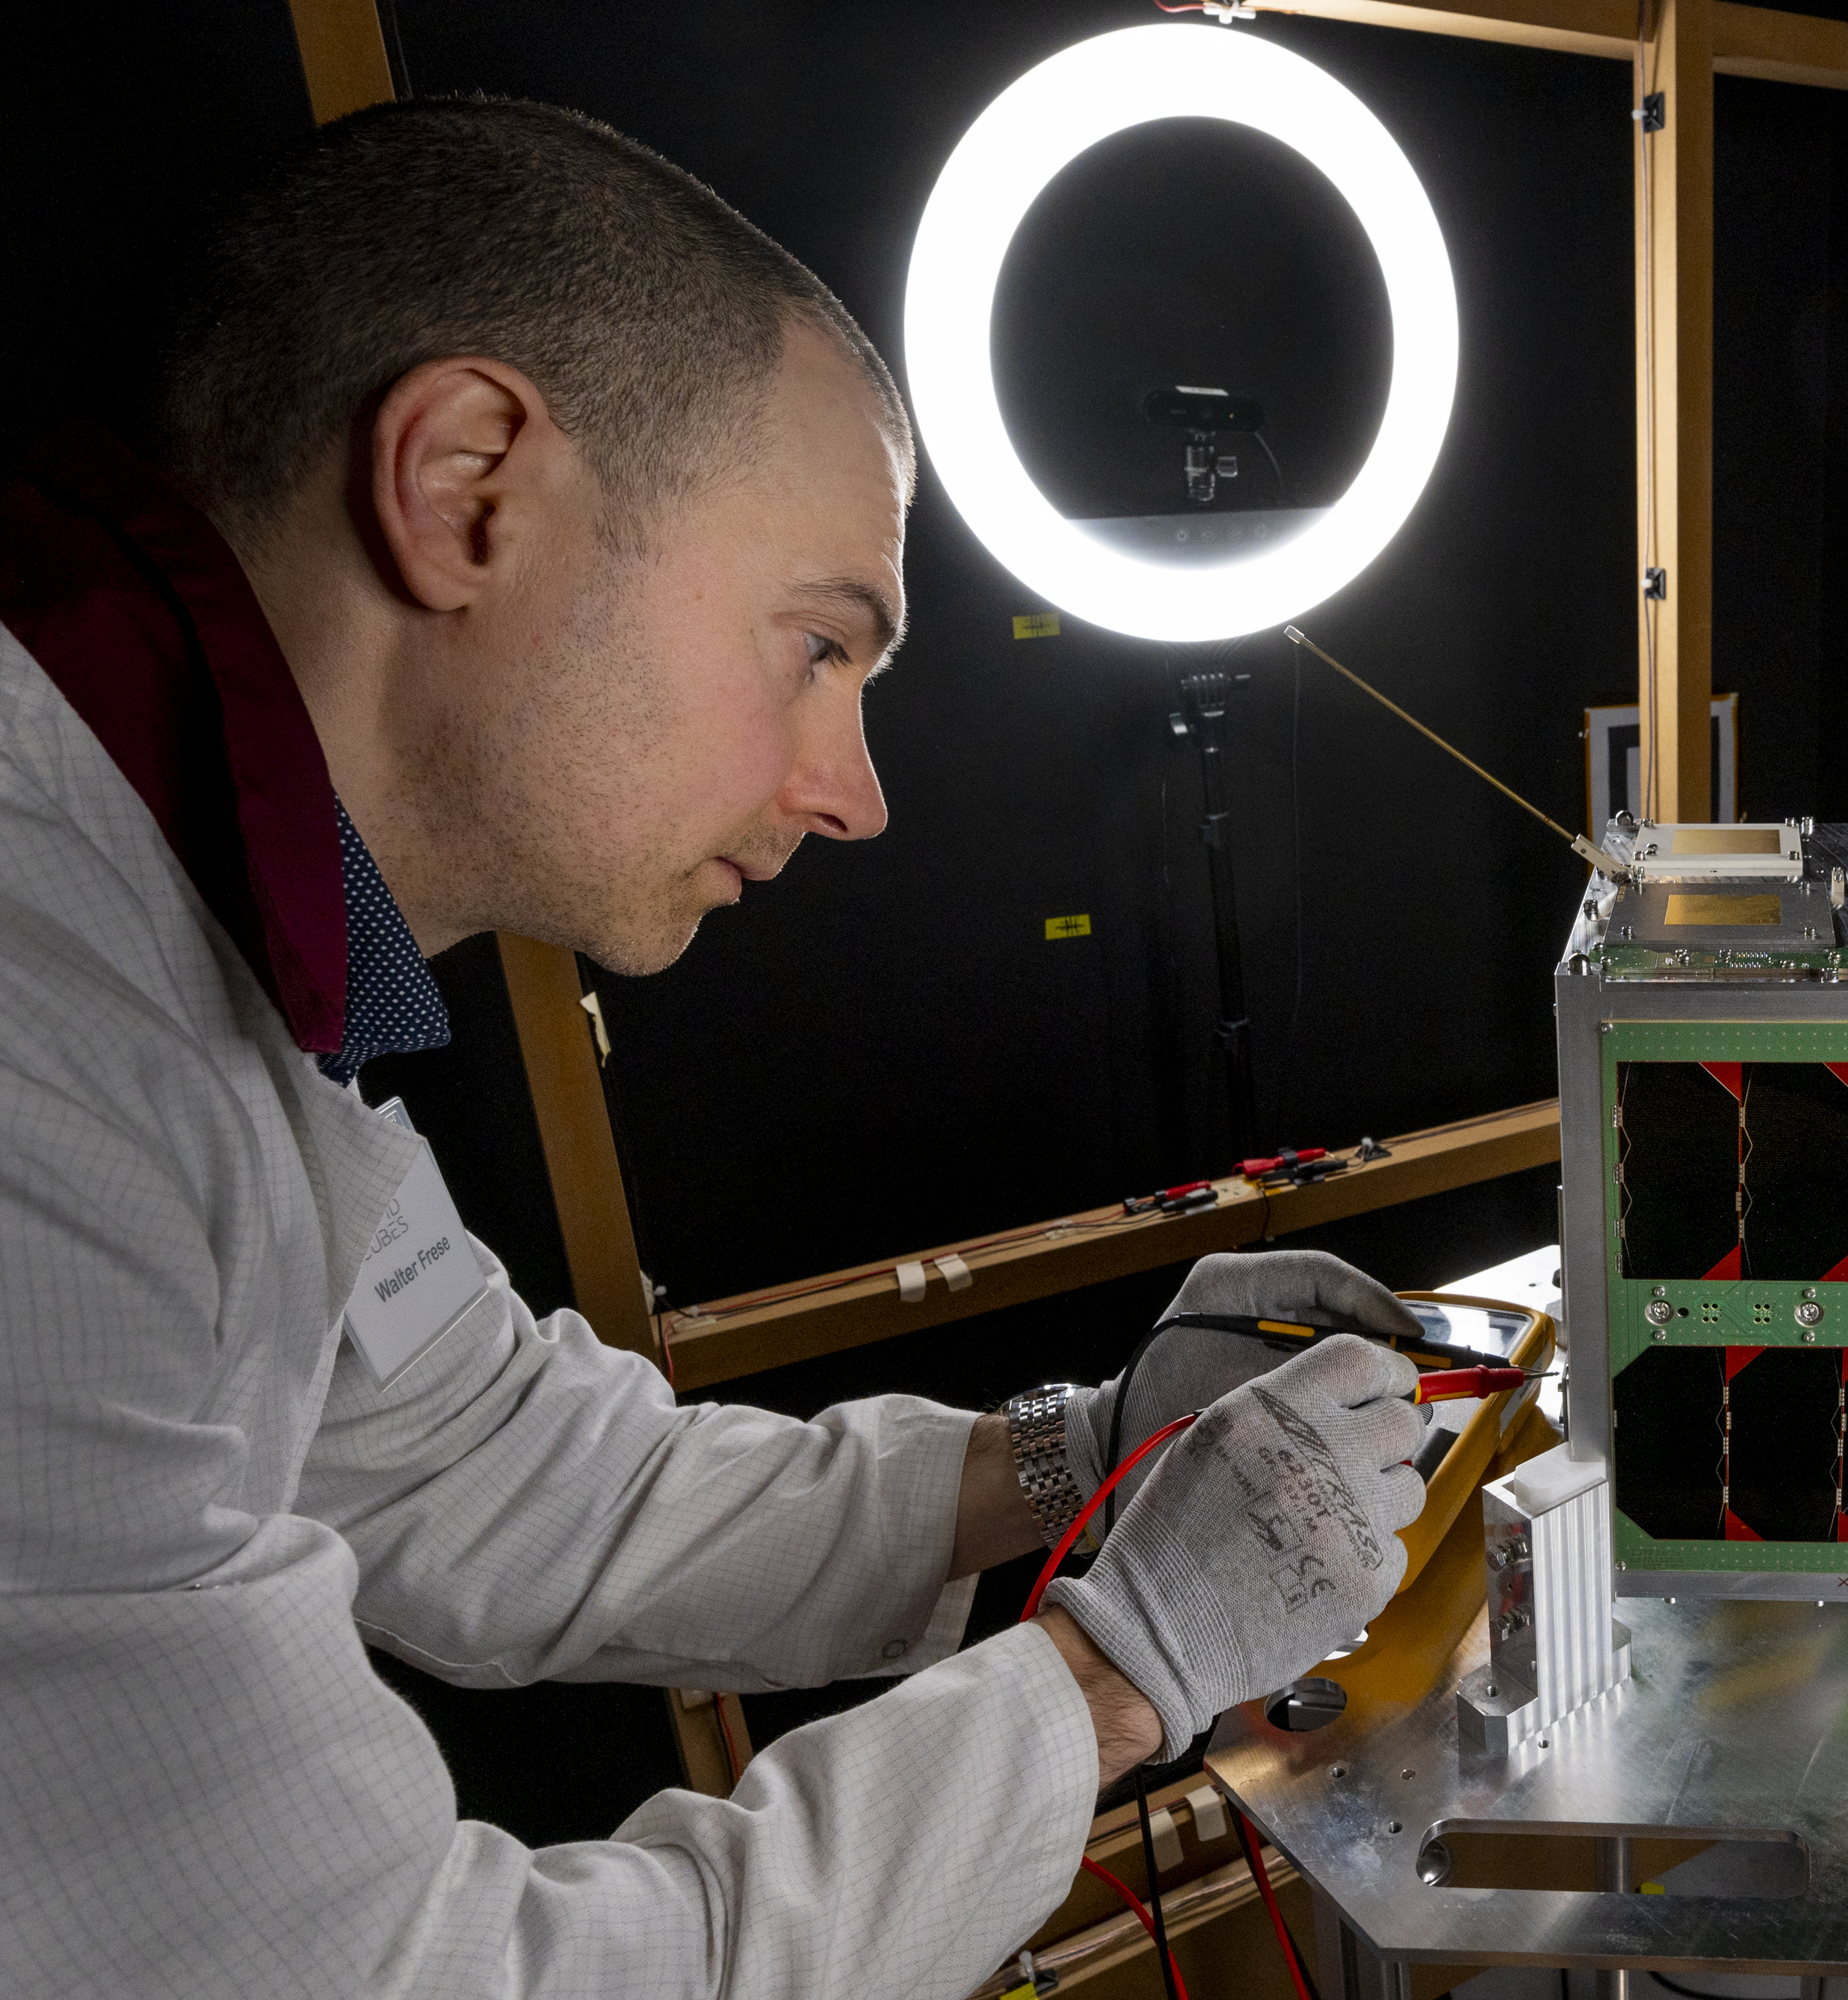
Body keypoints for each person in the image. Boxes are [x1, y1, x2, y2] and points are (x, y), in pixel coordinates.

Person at [0, 97, 1429, 1998]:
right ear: (466, 486)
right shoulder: (48, 1041)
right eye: (820, 644)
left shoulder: (198, 923)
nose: (857, 797)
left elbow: (499, 1471)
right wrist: (1115, 1670)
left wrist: (1073, 1449)